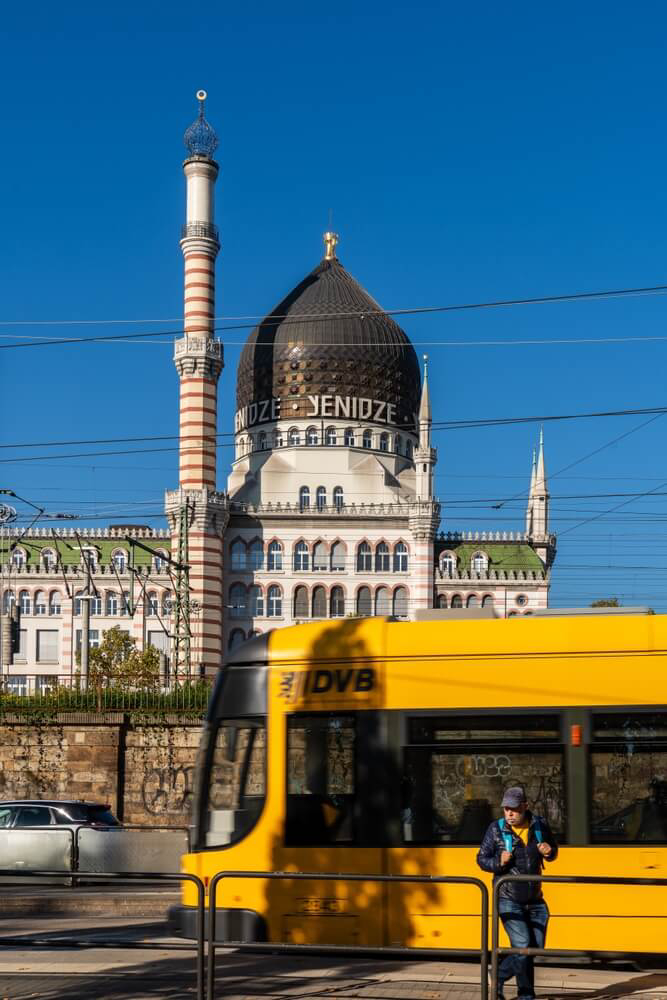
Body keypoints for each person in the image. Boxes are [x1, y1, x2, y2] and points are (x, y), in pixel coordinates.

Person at [476, 786, 559, 1000]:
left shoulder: (539, 825)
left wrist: (549, 852)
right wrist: (498, 861)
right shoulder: (495, 829)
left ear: (525, 807)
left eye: (514, 809)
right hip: (508, 898)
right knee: (522, 947)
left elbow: (553, 851)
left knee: (533, 949)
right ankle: (525, 995)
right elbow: (481, 859)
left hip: (535, 900)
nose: (509, 814)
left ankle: (498, 975)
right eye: (506, 809)